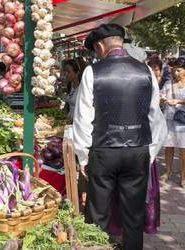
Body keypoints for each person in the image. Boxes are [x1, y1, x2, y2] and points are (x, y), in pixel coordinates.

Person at [73, 24, 167, 250]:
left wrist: (83, 157)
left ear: (99, 46)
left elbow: (83, 117)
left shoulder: (92, 72)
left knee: (98, 215)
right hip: (138, 151)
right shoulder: (145, 71)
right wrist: (149, 153)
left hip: (103, 151)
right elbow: (156, 118)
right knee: (134, 216)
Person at [160, 58, 185, 187]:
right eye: (174, 69)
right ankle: (168, 172)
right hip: (168, 119)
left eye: (179, 70)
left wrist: (179, 101)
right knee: (169, 147)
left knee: (183, 150)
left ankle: (183, 176)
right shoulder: (168, 83)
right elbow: (161, 97)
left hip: (182, 122)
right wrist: (162, 100)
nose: (175, 72)